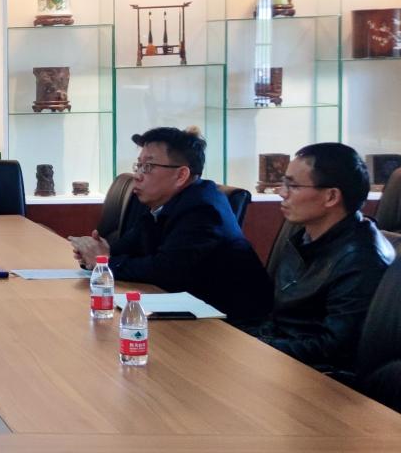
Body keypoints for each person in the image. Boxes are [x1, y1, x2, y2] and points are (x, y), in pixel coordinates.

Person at [66, 127, 271, 324]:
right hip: (189, 313)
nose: (138, 175)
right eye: (138, 165)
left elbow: (165, 271)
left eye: (148, 167)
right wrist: (95, 255)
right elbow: (123, 249)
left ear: (181, 175)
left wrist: (105, 263)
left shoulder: (203, 209)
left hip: (234, 327)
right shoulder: (160, 204)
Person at [241, 142, 394, 374]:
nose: (282, 193)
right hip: (280, 358)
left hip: (314, 378)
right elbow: (278, 316)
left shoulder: (360, 259)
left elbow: (334, 348)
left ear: (331, 196)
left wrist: (254, 348)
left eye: (293, 186)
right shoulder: (305, 234)